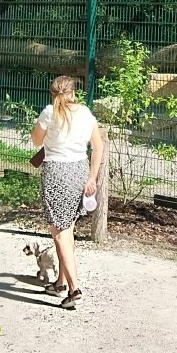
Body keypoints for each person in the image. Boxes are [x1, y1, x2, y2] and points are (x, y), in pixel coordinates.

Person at [30, 75, 105, 310]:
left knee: (60, 233)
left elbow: (35, 141)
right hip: (79, 171)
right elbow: (98, 145)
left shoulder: (49, 113)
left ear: (53, 93)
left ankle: (74, 289)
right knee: (67, 228)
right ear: (73, 93)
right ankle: (60, 282)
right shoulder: (85, 113)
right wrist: (92, 177)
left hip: (56, 173)